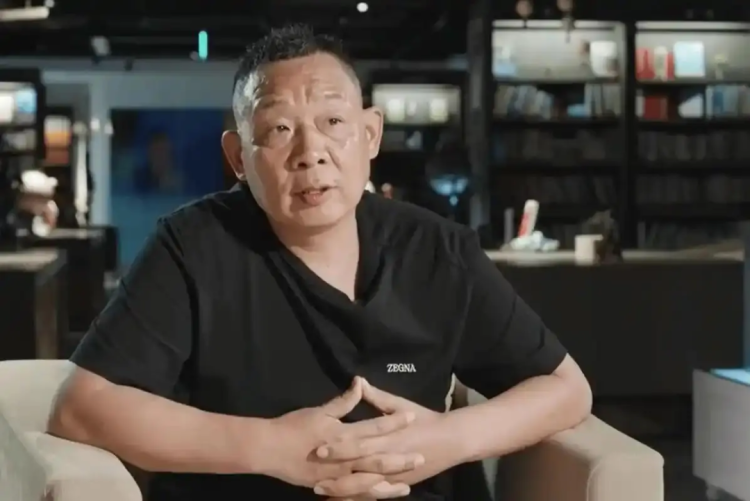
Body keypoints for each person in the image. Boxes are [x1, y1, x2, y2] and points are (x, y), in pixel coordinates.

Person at [48, 24, 592, 501]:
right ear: (238, 157)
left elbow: (566, 388)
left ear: (370, 134)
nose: (311, 152)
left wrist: (446, 440)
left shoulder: (437, 249)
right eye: (279, 129)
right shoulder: (192, 246)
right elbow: (81, 407)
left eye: (333, 120)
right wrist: (273, 447)